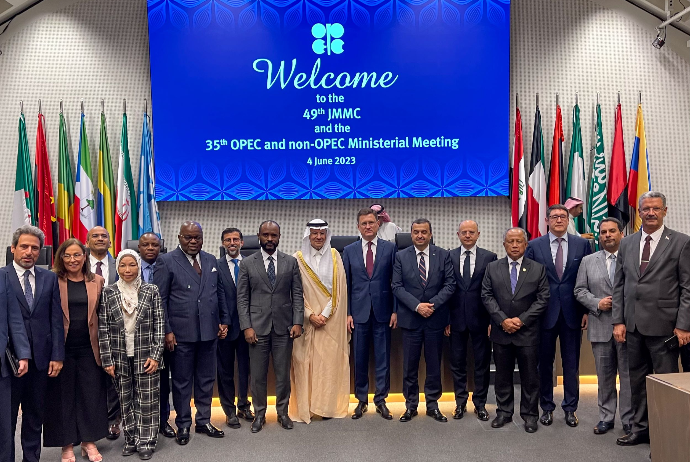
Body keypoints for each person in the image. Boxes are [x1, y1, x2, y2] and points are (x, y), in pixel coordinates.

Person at [612, 191, 690, 446]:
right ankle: (640, 430)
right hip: (633, 326)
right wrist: (618, 321)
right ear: (639, 212)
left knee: (666, 382)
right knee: (636, 381)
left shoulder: (681, 242)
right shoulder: (627, 243)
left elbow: (687, 288)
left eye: (656, 208)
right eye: (646, 209)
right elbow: (619, 285)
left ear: (665, 211)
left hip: (665, 327)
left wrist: (683, 325)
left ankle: (666, 436)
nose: (651, 213)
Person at [153, 221, 229, 445]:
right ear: (179, 238)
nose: (193, 241)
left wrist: (223, 320)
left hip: (209, 332)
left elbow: (219, 293)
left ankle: (203, 420)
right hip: (180, 334)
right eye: (188, 237)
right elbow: (160, 300)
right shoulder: (166, 261)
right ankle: (183, 424)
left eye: (197, 237)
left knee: (206, 379)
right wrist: (166, 330)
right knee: (182, 381)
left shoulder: (211, 260)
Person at [525, 204, 592, 427]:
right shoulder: (534, 245)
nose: (559, 220)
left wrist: (586, 311)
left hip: (573, 313)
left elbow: (587, 279)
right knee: (544, 364)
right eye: (554, 217)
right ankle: (546, 407)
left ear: (568, 219)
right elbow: (529, 282)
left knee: (571, 364)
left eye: (563, 216)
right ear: (547, 221)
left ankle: (570, 408)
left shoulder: (582, 245)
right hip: (544, 314)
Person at [236, 221, 304, 433]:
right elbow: (242, 299)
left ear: (279, 236)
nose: (269, 239)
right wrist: (246, 327)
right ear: (259, 236)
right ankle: (260, 414)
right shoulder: (247, 263)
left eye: (273, 235)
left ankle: (282, 413)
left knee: (283, 375)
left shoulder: (290, 262)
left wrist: (298, 321)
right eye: (265, 235)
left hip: (284, 328)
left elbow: (297, 294)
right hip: (257, 329)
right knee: (258, 376)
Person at [3, 226, 64, 462]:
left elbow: (56, 319)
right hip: (9, 361)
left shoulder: (49, 278)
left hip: (41, 360)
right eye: (24, 246)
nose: (29, 252)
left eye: (35, 248)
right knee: (6, 419)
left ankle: (31, 458)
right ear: (13, 248)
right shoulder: (2, 276)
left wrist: (57, 355)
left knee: (34, 416)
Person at [44, 239, 107, 462]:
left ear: (85, 256)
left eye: (77, 255)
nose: (73, 260)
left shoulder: (97, 281)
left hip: (90, 348)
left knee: (91, 395)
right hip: (61, 349)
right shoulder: (52, 280)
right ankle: (67, 444)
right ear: (61, 257)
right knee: (63, 397)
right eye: (68, 255)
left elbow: (102, 316)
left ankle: (89, 442)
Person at [481, 228, 549, 433]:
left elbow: (543, 298)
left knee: (530, 377)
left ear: (526, 244)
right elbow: (486, 296)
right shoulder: (492, 267)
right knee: (502, 376)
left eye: (519, 241)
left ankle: (530, 415)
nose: (515, 245)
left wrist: (521, 320)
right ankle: (504, 412)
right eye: (510, 241)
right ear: (504, 245)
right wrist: (502, 320)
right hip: (501, 332)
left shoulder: (538, 269)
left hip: (527, 332)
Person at [99, 250, 165, 460]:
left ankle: (146, 441)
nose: (127, 270)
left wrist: (156, 355)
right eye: (123, 265)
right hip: (119, 356)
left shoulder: (151, 290)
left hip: (146, 355)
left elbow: (159, 325)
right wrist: (107, 359)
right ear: (117, 268)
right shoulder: (108, 292)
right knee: (125, 399)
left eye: (132, 265)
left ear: (139, 266)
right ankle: (130, 439)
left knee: (147, 400)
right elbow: (103, 328)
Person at [392, 218, 455, 422]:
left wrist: (431, 306)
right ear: (411, 234)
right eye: (416, 232)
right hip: (411, 319)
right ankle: (410, 406)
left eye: (424, 232)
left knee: (434, 365)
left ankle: (432, 405)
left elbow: (450, 285)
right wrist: (417, 306)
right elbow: (396, 286)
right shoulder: (401, 256)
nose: (420, 235)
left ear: (430, 234)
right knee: (409, 366)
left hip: (435, 319)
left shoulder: (443, 255)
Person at [574, 217, 633, 436]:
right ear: (599, 236)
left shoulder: (632, 258)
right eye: (603, 232)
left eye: (612, 231)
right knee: (604, 378)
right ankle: (606, 418)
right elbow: (579, 290)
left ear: (621, 234)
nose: (607, 235)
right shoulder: (588, 261)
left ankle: (629, 420)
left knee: (628, 377)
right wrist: (597, 303)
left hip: (628, 327)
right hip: (600, 326)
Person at [290, 219, 350, 423]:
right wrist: (310, 315)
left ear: (326, 235)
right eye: (314, 233)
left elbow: (340, 290)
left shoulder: (335, 257)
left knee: (327, 365)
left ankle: (325, 407)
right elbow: (295, 292)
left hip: (331, 321)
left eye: (322, 233)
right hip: (306, 322)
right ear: (308, 235)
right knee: (305, 363)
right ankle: (306, 407)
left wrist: (324, 315)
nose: (318, 237)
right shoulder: (297, 259)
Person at [343, 208, 398, 420]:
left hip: (383, 311)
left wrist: (395, 310)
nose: (368, 226)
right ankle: (361, 400)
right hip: (358, 314)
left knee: (383, 358)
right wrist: (347, 313)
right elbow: (346, 285)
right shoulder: (349, 250)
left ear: (378, 224)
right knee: (360, 358)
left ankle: (381, 400)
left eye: (371, 223)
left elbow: (396, 283)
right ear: (358, 226)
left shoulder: (390, 248)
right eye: (364, 223)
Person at [446, 220, 497, 421]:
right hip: (455, 319)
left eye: (471, 232)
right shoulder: (448, 256)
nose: (467, 235)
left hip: (481, 319)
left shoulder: (489, 257)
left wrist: (492, 320)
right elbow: (445, 288)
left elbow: (493, 290)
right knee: (457, 362)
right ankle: (460, 403)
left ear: (478, 234)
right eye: (464, 232)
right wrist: (446, 319)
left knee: (481, 363)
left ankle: (480, 403)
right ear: (458, 234)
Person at [138, 233, 176, 439]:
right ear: (139, 247)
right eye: (146, 245)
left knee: (162, 380)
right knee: (137, 381)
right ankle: (139, 422)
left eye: (155, 245)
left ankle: (163, 421)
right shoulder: (129, 267)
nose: (151, 248)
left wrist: (167, 330)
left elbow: (168, 300)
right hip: (136, 335)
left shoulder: (168, 267)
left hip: (162, 332)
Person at [216, 227, 254, 429]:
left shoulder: (251, 263)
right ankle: (229, 409)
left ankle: (244, 405)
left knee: (246, 369)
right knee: (226, 371)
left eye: (235, 239)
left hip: (248, 326)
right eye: (228, 240)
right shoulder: (215, 266)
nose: (232, 243)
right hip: (225, 327)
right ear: (223, 243)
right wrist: (220, 321)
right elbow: (214, 295)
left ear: (242, 242)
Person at [87, 226, 121, 440]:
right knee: (90, 377)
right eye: (95, 236)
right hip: (86, 329)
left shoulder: (121, 264)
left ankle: (113, 420)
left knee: (113, 376)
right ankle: (91, 422)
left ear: (110, 242)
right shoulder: (78, 264)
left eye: (104, 236)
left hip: (115, 329)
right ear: (87, 241)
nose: (100, 239)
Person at [0, 272, 30, 462]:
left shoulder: (2, 278)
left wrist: (23, 354)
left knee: (4, 426)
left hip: (2, 365)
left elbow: (15, 320)